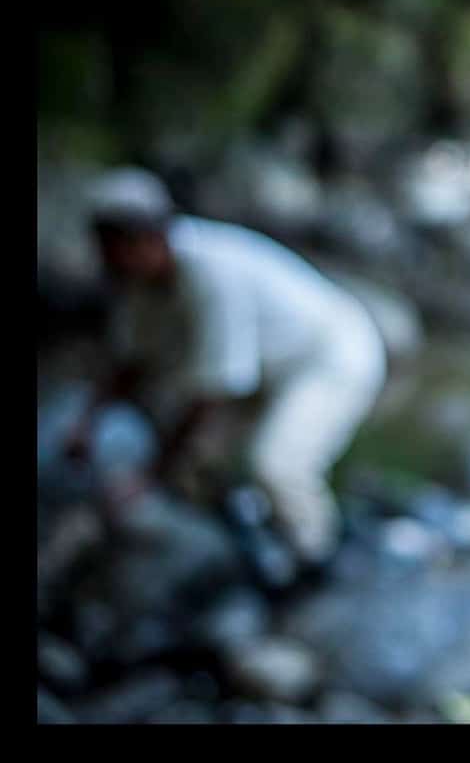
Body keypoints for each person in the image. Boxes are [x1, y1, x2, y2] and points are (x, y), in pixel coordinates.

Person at [64, 166, 387, 569]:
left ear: (147, 237)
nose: (109, 261)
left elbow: (215, 389)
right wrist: (87, 423)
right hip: (263, 368)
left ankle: (314, 559)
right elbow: (131, 362)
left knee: (276, 466)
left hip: (332, 355)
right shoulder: (140, 283)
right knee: (201, 466)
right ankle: (241, 548)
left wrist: (147, 475)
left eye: (115, 247)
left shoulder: (210, 272)